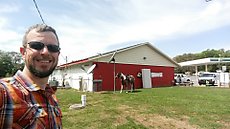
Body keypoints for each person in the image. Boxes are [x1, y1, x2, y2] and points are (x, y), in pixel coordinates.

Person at [0, 24, 62, 129]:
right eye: (36, 46)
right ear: (23, 52)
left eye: (53, 48)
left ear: (58, 54)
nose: (46, 52)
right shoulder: (4, 93)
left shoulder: (51, 97)